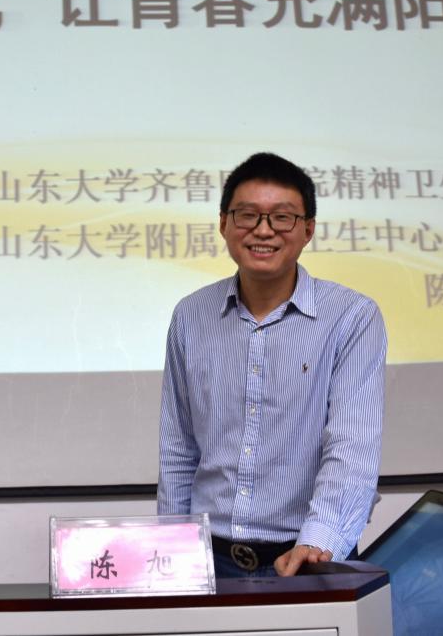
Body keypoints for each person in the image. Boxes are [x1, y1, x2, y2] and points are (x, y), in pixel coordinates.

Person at [157, 152, 387, 578]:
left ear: (308, 229)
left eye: (282, 217)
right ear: (223, 223)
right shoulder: (191, 315)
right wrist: (173, 544)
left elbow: (351, 445)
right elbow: (179, 445)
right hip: (208, 558)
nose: (263, 230)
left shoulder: (352, 317)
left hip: (304, 557)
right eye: (247, 215)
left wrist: (318, 543)